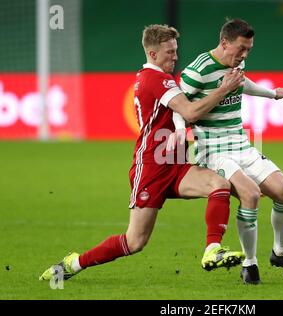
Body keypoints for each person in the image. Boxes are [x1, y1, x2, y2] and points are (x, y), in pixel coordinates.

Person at [39, 24, 246, 282]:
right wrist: (224, 88)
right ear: (152, 53)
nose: (175, 56)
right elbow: (191, 111)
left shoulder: (159, 78)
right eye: (169, 52)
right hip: (151, 167)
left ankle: (212, 249)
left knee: (219, 184)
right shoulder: (155, 79)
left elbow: (186, 114)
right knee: (135, 242)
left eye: (175, 50)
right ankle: (72, 264)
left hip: (175, 163)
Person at [171, 18, 283, 284]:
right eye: (241, 49)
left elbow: (242, 83)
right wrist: (179, 133)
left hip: (242, 145)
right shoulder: (196, 72)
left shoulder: (237, 63)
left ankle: (280, 253)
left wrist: (271, 93)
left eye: (248, 50)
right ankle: (250, 263)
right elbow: (179, 105)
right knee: (251, 194)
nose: (244, 55)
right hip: (212, 150)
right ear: (225, 42)